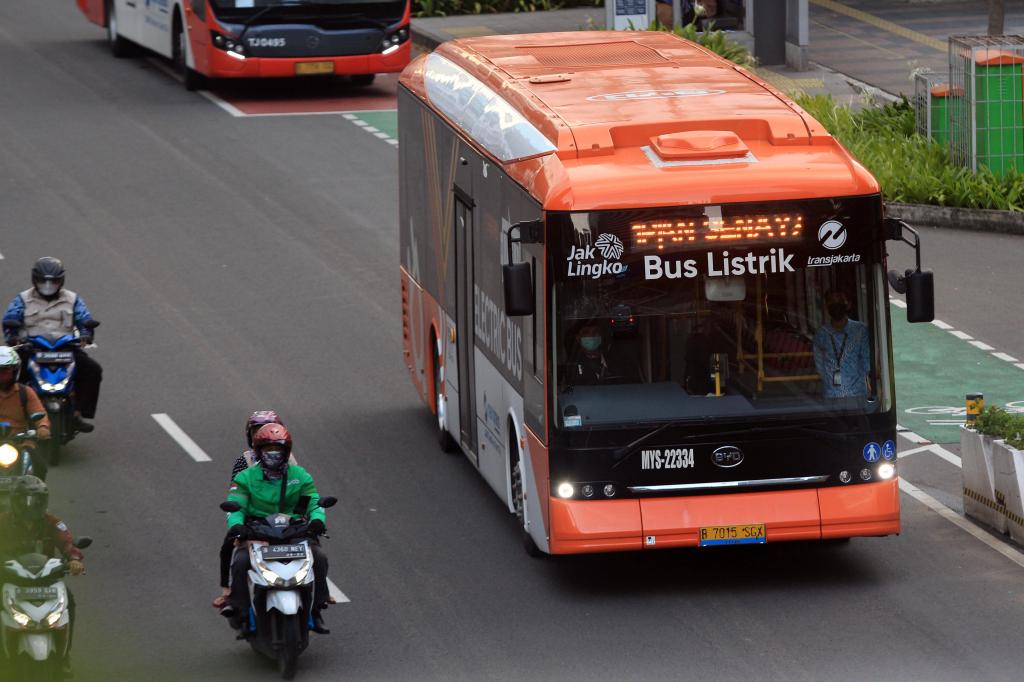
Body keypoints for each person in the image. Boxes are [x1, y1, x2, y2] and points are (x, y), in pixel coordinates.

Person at [223, 424, 332, 634]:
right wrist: (237, 525)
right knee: (240, 562)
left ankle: (317, 608)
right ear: (258, 452)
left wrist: (317, 519)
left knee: (319, 557)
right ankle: (243, 613)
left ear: (286, 452)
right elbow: (235, 505)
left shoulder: (300, 476)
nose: (273, 455)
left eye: (278, 450)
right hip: (258, 532)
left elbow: (313, 502)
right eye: (267, 450)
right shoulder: (245, 478)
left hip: (293, 531)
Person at [3, 257, 102, 432]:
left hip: (66, 348)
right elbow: (10, 319)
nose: (48, 286)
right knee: (7, 375)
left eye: (53, 282)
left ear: (61, 280)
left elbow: (84, 319)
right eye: (43, 281)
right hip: (30, 348)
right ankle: (11, 416)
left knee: (92, 370)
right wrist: (13, 337)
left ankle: (78, 413)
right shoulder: (22, 299)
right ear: (35, 279)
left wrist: (86, 334)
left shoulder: (73, 299)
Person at [0, 475, 85, 675]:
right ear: (15, 500)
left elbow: (67, 542)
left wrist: (74, 559)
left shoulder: (52, 522)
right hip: (8, 577)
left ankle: (65, 656)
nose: (31, 505)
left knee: (69, 602)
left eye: (37, 500)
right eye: (25, 499)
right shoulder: (3, 521)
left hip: (45, 578)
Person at [213, 410, 295, 613]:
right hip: (254, 519)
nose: (266, 435)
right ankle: (228, 591)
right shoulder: (245, 461)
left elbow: (300, 489)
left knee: (314, 549)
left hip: (284, 519)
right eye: (258, 430)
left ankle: (318, 595)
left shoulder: (289, 460)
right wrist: (239, 522)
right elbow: (237, 493)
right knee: (230, 548)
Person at [0, 346, 52, 479]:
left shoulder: (25, 392)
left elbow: (39, 412)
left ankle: (36, 499)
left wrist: (43, 427)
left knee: (39, 467)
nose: (2, 375)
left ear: (15, 371)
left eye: (5, 370)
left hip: (20, 442)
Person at [813, 290, 871, 399]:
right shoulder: (821, 333)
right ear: (826, 307)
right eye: (832, 303)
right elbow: (819, 365)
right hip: (831, 396)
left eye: (839, 301)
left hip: (857, 396)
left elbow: (867, 363)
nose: (835, 306)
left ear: (848, 304)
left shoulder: (860, 330)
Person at [564, 323, 641, 387]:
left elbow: (634, 385)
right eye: (586, 332)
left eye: (595, 331)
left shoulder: (621, 362)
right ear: (578, 338)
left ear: (601, 335)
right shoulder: (572, 367)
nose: (591, 336)